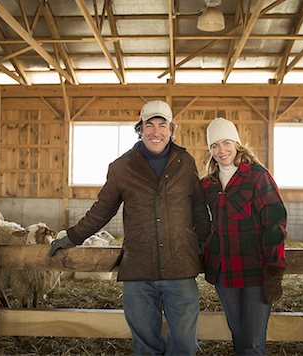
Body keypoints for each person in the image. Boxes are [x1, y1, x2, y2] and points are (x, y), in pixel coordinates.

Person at [49, 100, 211, 356]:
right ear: (140, 129)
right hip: (139, 271)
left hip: (180, 268)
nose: (156, 132)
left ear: (171, 130)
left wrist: (209, 246)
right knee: (146, 347)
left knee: (185, 346)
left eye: (162, 125)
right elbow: (102, 210)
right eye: (150, 125)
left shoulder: (186, 162)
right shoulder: (122, 167)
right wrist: (71, 237)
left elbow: (199, 209)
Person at [201, 117, 287, 355]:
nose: (221, 150)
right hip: (224, 271)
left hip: (255, 270)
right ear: (210, 150)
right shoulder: (208, 184)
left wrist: (274, 268)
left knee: (253, 341)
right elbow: (200, 220)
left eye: (226, 142)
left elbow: (275, 221)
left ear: (237, 144)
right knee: (238, 338)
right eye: (214, 145)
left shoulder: (257, 176)